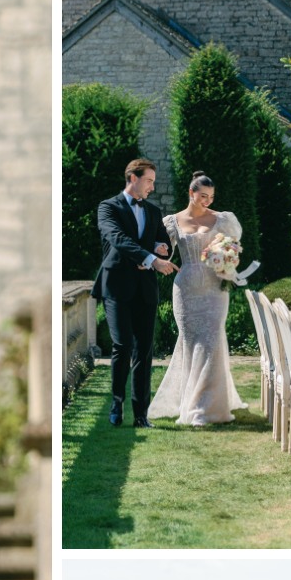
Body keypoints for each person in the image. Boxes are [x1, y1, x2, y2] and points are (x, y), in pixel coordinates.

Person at [148, 172, 247, 426]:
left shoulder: (223, 220)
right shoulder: (172, 222)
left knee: (213, 341)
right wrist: (158, 254)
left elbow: (233, 247)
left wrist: (226, 256)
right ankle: (191, 401)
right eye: (203, 196)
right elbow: (161, 251)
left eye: (211, 197)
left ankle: (207, 409)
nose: (207, 201)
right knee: (191, 344)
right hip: (186, 289)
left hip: (215, 289)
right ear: (191, 194)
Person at [92, 158, 175, 428]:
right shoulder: (108, 207)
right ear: (133, 178)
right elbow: (117, 238)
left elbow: (164, 240)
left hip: (145, 289)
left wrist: (161, 248)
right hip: (116, 285)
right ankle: (117, 402)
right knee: (122, 345)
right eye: (149, 180)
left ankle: (141, 413)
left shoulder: (152, 211)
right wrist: (151, 258)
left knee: (144, 350)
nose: (152, 186)